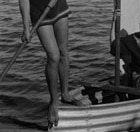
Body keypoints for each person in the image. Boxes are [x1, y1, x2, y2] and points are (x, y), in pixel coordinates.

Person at [19, 0, 79, 128]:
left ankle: (65, 94)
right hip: (39, 13)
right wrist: (26, 28)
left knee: (63, 52)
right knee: (53, 56)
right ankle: (54, 101)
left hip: (58, 6)